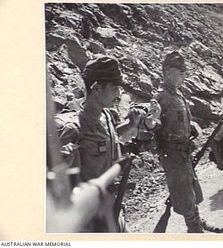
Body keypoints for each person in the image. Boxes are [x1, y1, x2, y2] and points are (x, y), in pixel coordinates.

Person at [57, 55, 159, 232]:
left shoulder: (107, 116)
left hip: (113, 206)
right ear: (96, 88)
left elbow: (109, 139)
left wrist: (130, 124)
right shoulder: (74, 129)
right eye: (114, 88)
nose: (119, 94)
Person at [154, 51, 206, 233]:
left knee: (191, 187)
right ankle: (194, 229)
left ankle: (197, 221)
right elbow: (153, 128)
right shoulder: (160, 98)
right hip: (173, 154)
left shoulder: (177, 94)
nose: (184, 74)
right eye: (180, 71)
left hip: (184, 151)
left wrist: (190, 128)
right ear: (168, 71)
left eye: (185, 71)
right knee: (183, 193)